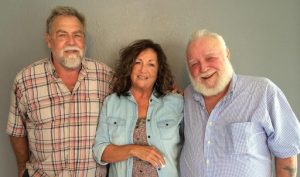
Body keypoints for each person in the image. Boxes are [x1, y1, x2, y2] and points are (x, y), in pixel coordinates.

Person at [6, 6, 112, 177]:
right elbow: (16, 132)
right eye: (62, 35)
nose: (71, 42)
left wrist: (165, 91)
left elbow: (137, 99)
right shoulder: (25, 80)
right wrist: (22, 169)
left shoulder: (107, 77)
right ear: (49, 40)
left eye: (77, 35)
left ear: (84, 40)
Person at [179, 29, 300, 177]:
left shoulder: (262, 91)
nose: (203, 68)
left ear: (227, 54)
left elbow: (287, 153)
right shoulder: (187, 98)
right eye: (194, 64)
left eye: (210, 58)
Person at [93, 39, 183, 177]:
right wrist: (133, 150)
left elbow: (193, 145)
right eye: (137, 62)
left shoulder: (176, 102)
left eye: (151, 64)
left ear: (159, 71)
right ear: (129, 67)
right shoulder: (111, 103)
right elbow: (100, 151)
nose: (143, 70)